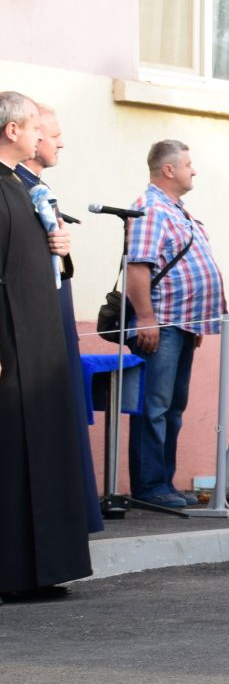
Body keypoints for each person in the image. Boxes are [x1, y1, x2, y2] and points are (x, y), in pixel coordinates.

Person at [0, 92, 93, 599]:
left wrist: (58, 247)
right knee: (13, 460)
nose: (43, 135)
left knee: (39, 455)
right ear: (12, 130)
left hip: (38, 340)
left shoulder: (23, 187)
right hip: (11, 342)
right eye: (35, 127)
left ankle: (39, 571)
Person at [123, 140, 228, 508]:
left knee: (172, 407)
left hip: (181, 325)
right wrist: (146, 318)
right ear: (168, 170)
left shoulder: (175, 210)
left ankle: (163, 482)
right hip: (162, 323)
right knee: (154, 406)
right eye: (187, 164)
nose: (193, 170)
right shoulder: (151, 209)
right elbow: (137, 266)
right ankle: (151, 487)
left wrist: (195, 323)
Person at [14, 102, 101, 532]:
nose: (60, 141)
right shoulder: (14, 187)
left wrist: (62, 251)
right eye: (50, 132)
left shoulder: (35, 188)